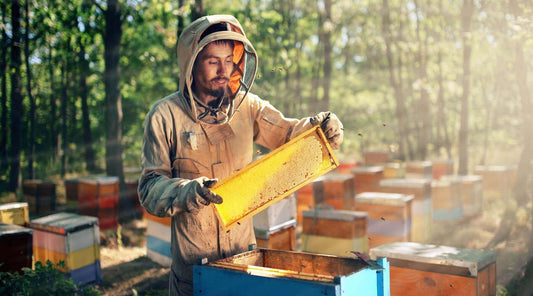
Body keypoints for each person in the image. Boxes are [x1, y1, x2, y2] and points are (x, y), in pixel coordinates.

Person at [138, 14, 344, 296]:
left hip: (242, 262)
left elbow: (289, 133)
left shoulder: (249, 107)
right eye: (213, 61)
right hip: (193, 271)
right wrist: (189, 191)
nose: (223, 70)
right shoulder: (165, 116)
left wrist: (320, 126)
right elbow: (150, 188)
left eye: (229, 61)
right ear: (191, 65)